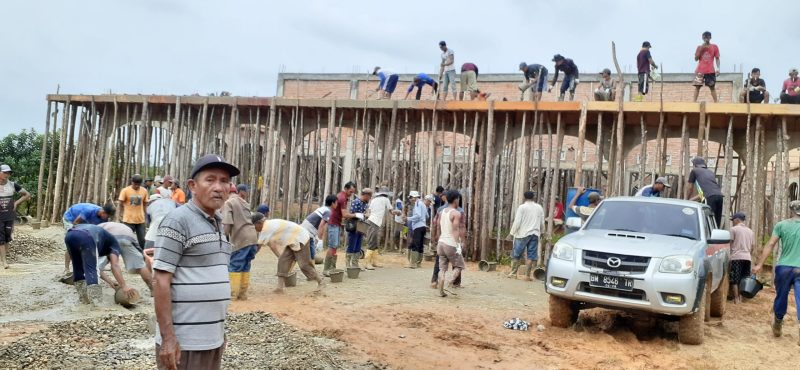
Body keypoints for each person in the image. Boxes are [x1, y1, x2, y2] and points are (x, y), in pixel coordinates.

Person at [152, 154, 239, 370]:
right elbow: (160, 281)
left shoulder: (218, 223)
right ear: (193, 186)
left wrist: (218, 334)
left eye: (224, 181)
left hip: (211, 340)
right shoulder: (177, 221)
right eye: (210, 180)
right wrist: (168, 339)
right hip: (185, 343)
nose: (219, 187)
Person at [752, 200, 800, 343]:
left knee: (781, 296)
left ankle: (778, 323)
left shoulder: (782, 225)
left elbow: (771, 244)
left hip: (784, 267)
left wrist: (759, 264)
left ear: (791, 210)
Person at [64, 223, 135, 305]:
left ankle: (84, 300)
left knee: (78, 268)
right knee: (91, 270)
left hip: (70, 235)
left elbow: (99, 268)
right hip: (86, 236)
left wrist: (111, 282)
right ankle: (96, 304)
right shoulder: (115, 245)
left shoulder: (103, 242)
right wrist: (124, 286)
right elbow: (115, 265)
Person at [259, 218, 325, 294]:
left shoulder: (266, 228)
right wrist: (280, 257)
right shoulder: (268, 224)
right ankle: (280, 288)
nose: (254, 228)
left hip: (300, 238)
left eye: (254, 226)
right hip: (292, 239)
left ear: (259, 223)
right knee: (283, 261)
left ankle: (321, 282)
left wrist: (250, 255)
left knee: (304, 265)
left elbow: (269, 245)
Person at [223, 184, 259, 301]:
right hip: (253, 237)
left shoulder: (228, 203)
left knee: (235, 265)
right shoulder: (244, 202)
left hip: (241, 239)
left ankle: (233, 295)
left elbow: (227, 223)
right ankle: (242, 294)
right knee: (245, 265)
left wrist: (224, 239)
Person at [97, 221, 154, 294]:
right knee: (140, 265)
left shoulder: (96, 228)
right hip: (127, 238)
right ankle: (153, 290)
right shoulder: (122, 227)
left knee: (98, 266)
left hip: (111, 239)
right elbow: (137, 247)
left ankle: (115, 284)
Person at [62, 202, 114, 275]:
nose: (107, 218)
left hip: (85, 223)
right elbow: (76, 223)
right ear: (103, 212)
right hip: (71, 219)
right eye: (107, 216)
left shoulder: (104, 219)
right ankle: (66, 269)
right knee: (72, 243)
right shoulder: (88, 210)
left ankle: (98, 265)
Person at [431, 192, 465, 289]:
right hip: (450, 243)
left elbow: (437, 225)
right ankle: (451, 281)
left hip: (441, 242)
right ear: (455, 200)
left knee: (442, 268)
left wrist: (437, 238)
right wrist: (458, 245)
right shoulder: (457, 213)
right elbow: (456, 229)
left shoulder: (441, 211)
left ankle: (439, 282)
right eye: (458, 199)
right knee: (459, 265)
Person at [508, 191, 544, 280]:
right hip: (535, 234)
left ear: (524, 197)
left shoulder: (522, 207)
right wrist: (542, 232)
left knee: (516, 254)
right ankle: (527, 275)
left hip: (522, 234)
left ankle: (513, 273)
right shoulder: (539, 207)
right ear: (533, 197)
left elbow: (517, 222)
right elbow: (542, 222)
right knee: (531, 255)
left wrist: (511, 233)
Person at [324, 181, 358, 276]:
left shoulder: (343, 197)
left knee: (334, 245)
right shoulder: (342, 198)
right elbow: (345, 214)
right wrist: (356, 215)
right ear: (346, 189)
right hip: (333, 223)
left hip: (336, 223)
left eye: (353, 192)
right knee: (332, 245)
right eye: (350, 191)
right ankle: (326, 268)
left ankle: (332, 267)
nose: (351, 194)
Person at [0, 164, 30, 269]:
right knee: (1, 238)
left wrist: (16, 203)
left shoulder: (12, 185)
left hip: (9, 216)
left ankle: (4, 258)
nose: (7, 175)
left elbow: (27, 194)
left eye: (8, 173)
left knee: (7, 237)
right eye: (4, 172)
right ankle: (4, 261)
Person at [364, 188, 400, 269]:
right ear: (386, 194)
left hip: (371, 221)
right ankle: (367, 263)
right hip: (375, 222)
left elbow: (368, 212)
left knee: (374, 242)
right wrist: (398, 212)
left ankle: (374, 262)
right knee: (372, 242)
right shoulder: (386, 199)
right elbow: (392, 212)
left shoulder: (373, 200)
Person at [685, 157, 723, 227]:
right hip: (719, 196)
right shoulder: (710, 172)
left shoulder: (694, 171)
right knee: (716, 222)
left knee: (707, 220)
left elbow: (690, 187)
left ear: (695, 165)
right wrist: (691, 200)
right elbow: (703, 194)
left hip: (710, 197)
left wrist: (687, 199)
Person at [301, 195, 336, 264]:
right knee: (311, 253)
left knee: (311, 251)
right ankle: (311, 264)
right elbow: (321, 226)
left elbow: (323, 226)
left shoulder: (324, 208)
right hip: (308, 229)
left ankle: (312, 261)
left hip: (307, 227)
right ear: (332, 203)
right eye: (336, 203)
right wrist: (320, 240)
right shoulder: (328, 211)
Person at [728, 212, 754, 304]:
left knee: (735, 278)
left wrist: (729, 256)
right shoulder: (750, 231)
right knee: (744, 278)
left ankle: (736, 299)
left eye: (733, 220)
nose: (732, 222)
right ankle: (741, 298)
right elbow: (752, 247)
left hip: (736, 257)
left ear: (737, 220)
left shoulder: (733, 229)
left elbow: (730, 244)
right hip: (747, 257)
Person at [118, 174, 149, 250]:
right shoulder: (125, 190)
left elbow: (145, 204)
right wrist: (120, 215)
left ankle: (143, 254)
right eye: (135, 184)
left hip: (140, 220)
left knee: (142, 240)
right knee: (127, 239)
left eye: (138, 184)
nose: (136, 186)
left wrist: (146, 216)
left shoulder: (144, 191)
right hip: (128, 219)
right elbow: (120, 203)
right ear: (132, 182)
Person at [346, 188, 371, 269]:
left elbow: (366, 212)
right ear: (365, 195)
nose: (369, 199)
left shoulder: (365, 203)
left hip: (361, 226)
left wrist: (366, 214)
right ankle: (348, 264)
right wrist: (362, 215)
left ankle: (355, 264)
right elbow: (351, 213)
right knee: (352, 244)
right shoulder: (356, 202)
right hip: (354, 226)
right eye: (369, 197)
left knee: (358, 245)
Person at [405, 191, 432, 268]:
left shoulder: (417, 203)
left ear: (413, 197)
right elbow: (426, 216)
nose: (410, 199)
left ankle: (413, 263)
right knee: (420, 245)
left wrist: (408, 218)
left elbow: (418, 215)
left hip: (417, 227)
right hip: (423, 226)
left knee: (415, 244)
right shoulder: (423, 204)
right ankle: (418, 263)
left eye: (410, 197)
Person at [692, 31, 721, 103]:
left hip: (710, 71)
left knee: (712, 87)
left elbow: (717, 58)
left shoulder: (714, 47)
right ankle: (694, 102)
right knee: (697, 87)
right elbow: (696, 59)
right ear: (702, 38)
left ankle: (716, 103)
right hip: (700, 70)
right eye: (705, 37)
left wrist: (718, 69)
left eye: (708, 37)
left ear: (710, 37)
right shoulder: (699, 47)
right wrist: (701, 48)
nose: (706, 38)